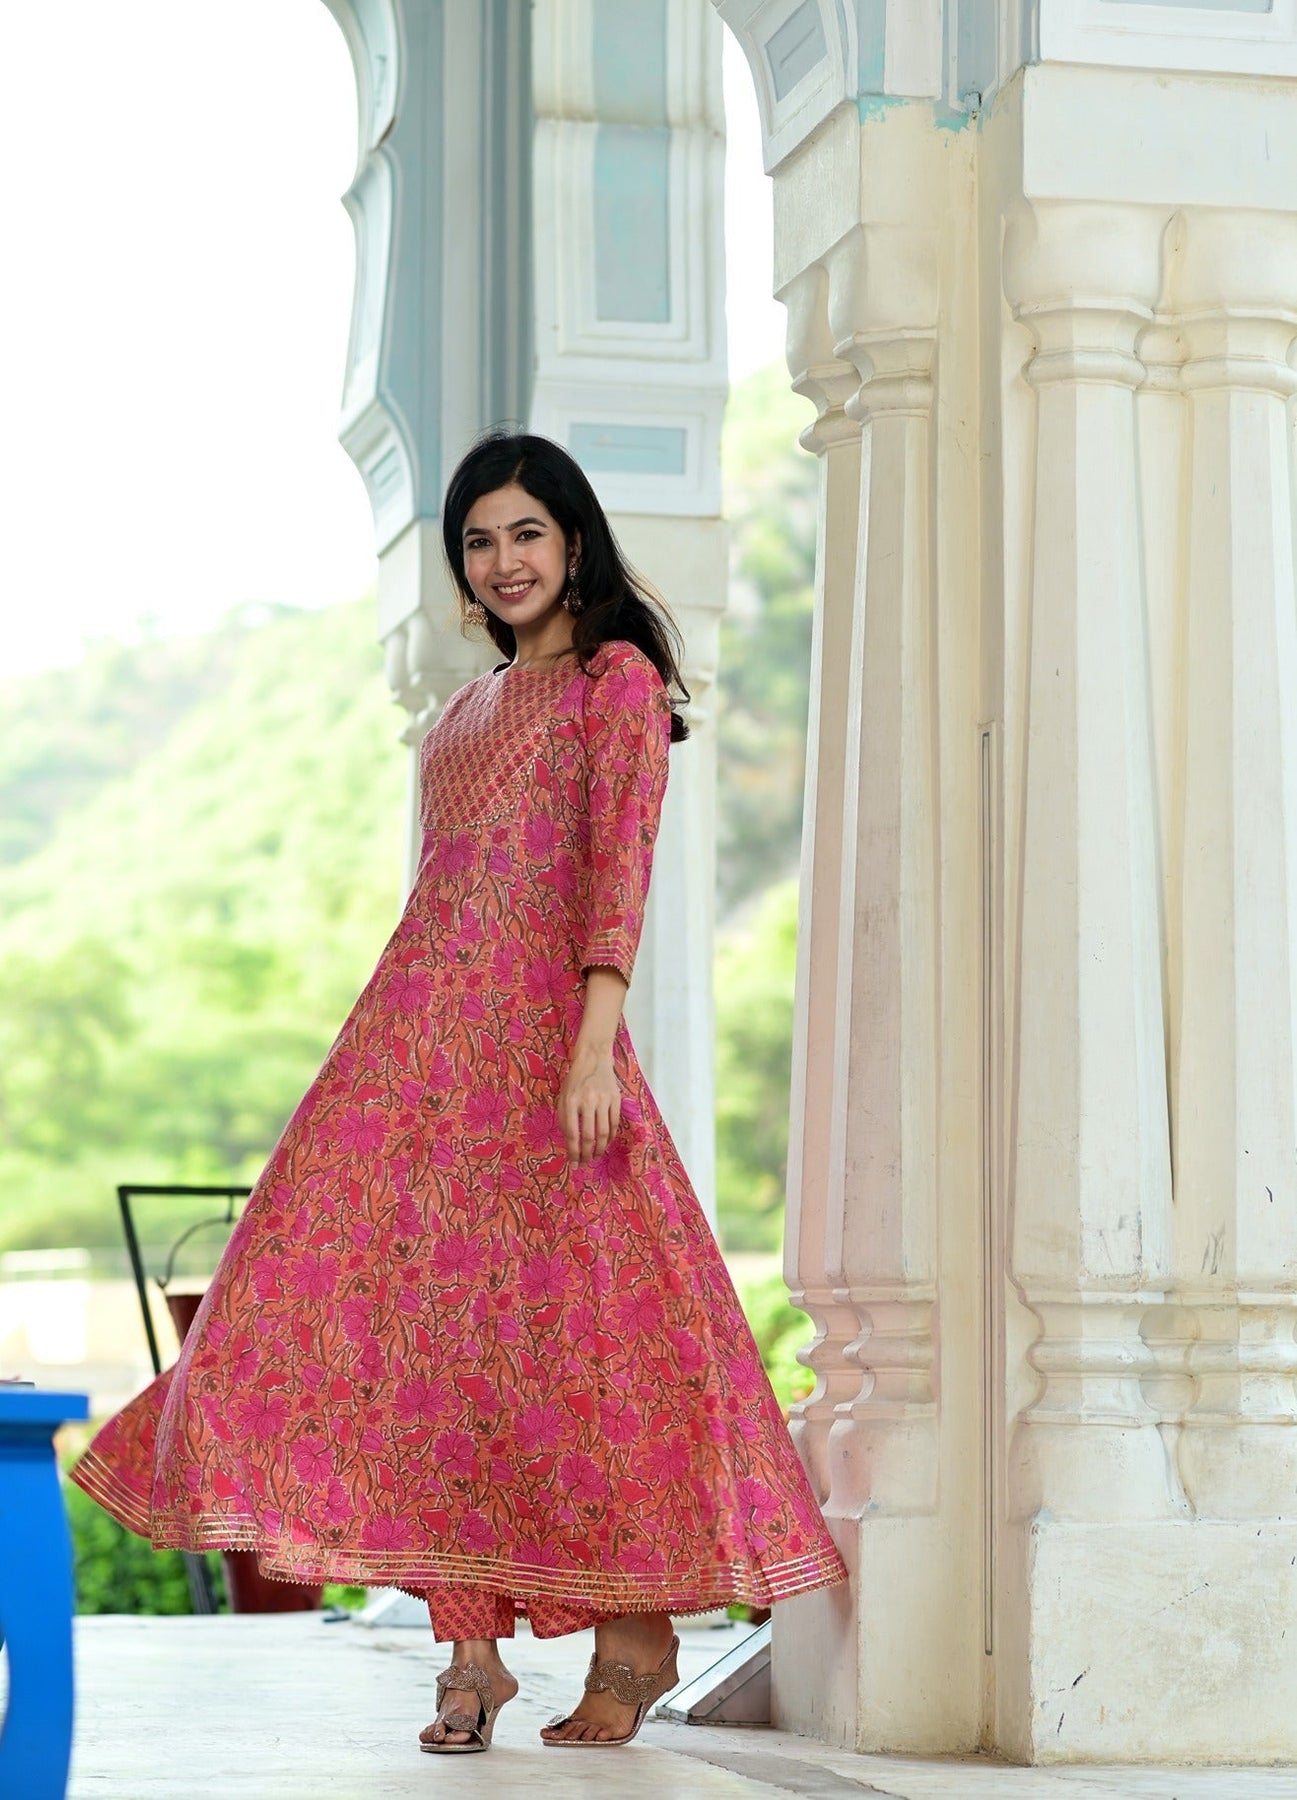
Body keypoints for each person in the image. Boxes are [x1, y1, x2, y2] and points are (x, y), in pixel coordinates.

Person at [70, 430, 848, 1755]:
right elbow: (444, 890)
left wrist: (594, 1040)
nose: (503, 562)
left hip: (548, 1053)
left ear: (574, 541)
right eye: (478, 543)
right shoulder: (463, 714)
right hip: (419, 1049)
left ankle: (636, 1632)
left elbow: (618, 862)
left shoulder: (614, 682)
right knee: (399, 1333)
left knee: (588, 1339)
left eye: (525, 534)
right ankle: (470, 1653)